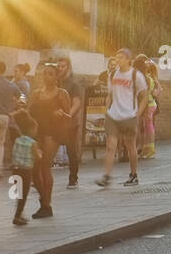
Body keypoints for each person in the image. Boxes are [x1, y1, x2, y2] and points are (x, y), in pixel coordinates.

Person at [96, 49, 147, 188]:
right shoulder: (112, 75)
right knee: (110, 147)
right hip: (113, 115)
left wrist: (138, 113)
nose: (117, 60)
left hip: (129, 115)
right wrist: (106, 110)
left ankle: (133, 174)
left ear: (128, 59)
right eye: (116, 57)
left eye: (121, 57)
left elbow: (144, 96)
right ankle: (106, 176)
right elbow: (110, 95)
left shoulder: (136, 75)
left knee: (130, 145)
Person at [29, 65, 70, 216]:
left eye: (51, 74)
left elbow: (68, 116)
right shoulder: (36, 94)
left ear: (56, 77)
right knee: (34, 169)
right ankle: (43, 199)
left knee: (45, 165)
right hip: (38, 132)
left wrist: (61, 114)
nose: (47, 77)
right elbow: (30, 112)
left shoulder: (62, 93)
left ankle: (46, 205)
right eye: (45, 74)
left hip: (53, 133)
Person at [57, 57, 85, 188]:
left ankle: (73, 178)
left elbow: (77, 102)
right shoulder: (56, 83)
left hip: (70, 123)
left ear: (68, 67)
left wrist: (69, 114)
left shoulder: (74, 83)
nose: (60, 68)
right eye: (59, 66)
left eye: (63, 66)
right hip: (55, 121)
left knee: (71, 150)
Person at [10, 111, 40, 226]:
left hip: (16, 170)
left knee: (19, 193)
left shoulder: (17, 140)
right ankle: (17, 216)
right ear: (31, 129)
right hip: (26, 171)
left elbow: (14, 154)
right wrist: (40, 154)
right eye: (35, 129)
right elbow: (37, 157)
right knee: (24, 194)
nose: (36, 131)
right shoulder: (33, 143)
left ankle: (19, 214)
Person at [136, 56, 160, 158]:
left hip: (148, 105)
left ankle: (150, 148)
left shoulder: (147, 79)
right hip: (151, 104)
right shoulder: (151, 79)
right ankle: (148, 148)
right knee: (147, 128)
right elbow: (156, 92)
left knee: (148, 128)